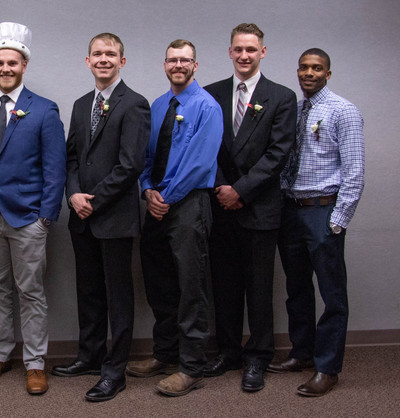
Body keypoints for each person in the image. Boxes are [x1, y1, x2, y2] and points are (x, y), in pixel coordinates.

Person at [0, 21, 66, 396]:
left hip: (28, 219)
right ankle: (0, 353)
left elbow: (54, 170)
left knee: (31, 291)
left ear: (24, 65)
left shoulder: (43, 109)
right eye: (0, 62)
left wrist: (45, 219)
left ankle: (36, 363)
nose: (6, 68)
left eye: (13, 62)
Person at [52, 33, 150, 402]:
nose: (104, 59)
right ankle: (90, 356)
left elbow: (131, 165)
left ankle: (115, 370)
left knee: (118, 295)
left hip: (115, 217)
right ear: (88, 60)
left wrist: (95, 200)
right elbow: (73, 157)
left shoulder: (135, 104)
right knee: (88, 291)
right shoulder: (80, 105)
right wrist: (74, 195)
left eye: (111, 54)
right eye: (98, 54)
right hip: (82, 216)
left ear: (122, 61)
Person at [125, 39, 223, 397]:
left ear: (195, 65)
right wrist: (148, 189)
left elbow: (200, 163)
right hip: (157, 205)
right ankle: (164, 354)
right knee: (159, 284)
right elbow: (147, 158)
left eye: (185, 60)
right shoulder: (159, 105)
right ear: (164, 64)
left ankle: (192, 367)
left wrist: (165, 197)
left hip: (188, 206)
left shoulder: (207, 107)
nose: (178, 65)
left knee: (190, 287)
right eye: (172, 60)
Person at [203, 23, 297, 392]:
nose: (244, 56)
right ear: (230, 52)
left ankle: (258, 356)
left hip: (259, 207)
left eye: (251, 50)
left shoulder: (282, 96)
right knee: (224, 284)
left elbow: (278, 154)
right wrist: (221, 189)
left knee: (259, 287)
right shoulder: (211, 94)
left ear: (263, 52)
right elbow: (204, 149)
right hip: (219, 205)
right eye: (238, 49)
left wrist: (240, 190)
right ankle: (228, 351)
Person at [268, 48, 364, 397]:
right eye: (304, 68)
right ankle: (302, 353)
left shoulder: (343, 111)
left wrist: (338, 220)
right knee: (297, 288)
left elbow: (354, 173)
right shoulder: (292, 110)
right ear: (298, 71)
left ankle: (327, 368)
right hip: (291, 210)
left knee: (332, 294)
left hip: (323, 210)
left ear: (328, 73)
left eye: (317, 68)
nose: (309, 73)